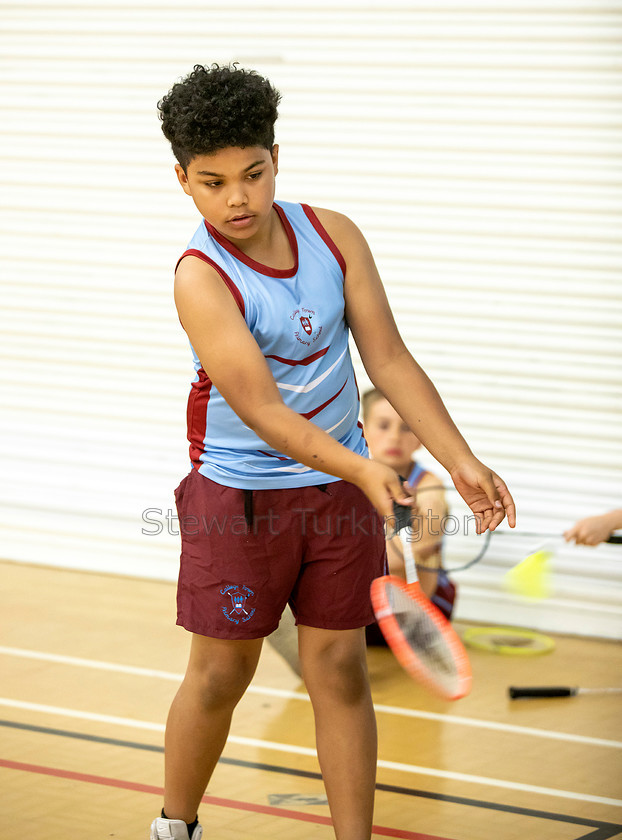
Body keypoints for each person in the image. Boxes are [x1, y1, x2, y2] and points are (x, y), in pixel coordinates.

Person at [151, 63, 515, 840]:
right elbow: (266, 413)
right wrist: (365, 469)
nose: (238, 198)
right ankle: (174, 828)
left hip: (341, 490)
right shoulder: (200, 278)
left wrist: (460, 459)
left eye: (253, 174)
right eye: (213, 183)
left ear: (276, 156)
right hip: (242, 496)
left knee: (341, 669)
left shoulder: (333, 235)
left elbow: (388, 359)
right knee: (222, 675)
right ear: (182, 180)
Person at [361, 387, 457, 620]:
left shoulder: (428, 487)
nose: (394, 437)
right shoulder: (353, 477)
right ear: (362, 430)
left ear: (421, 437)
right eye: (384, 426)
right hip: (366, 603)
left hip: (417, 612)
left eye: (406, 428)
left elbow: (408, 553)